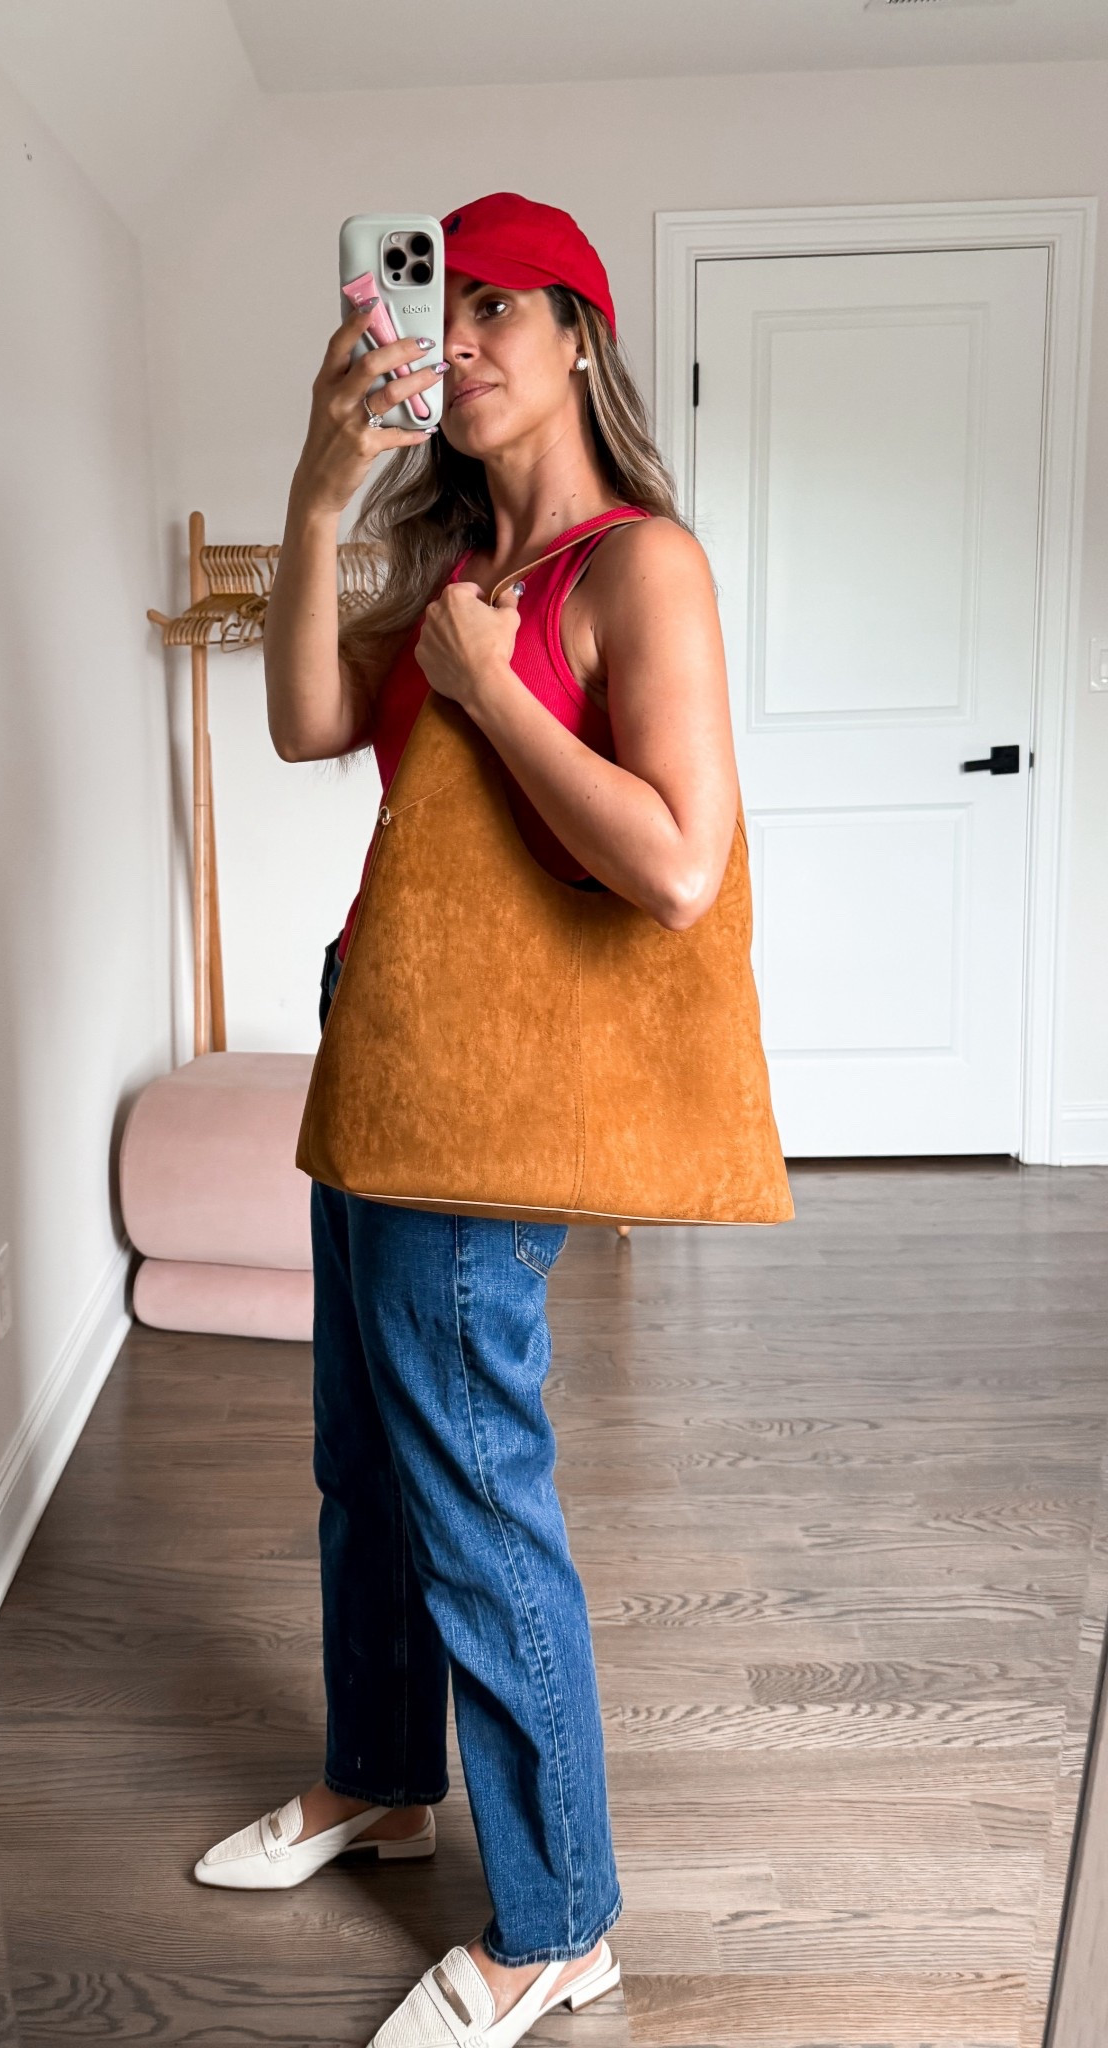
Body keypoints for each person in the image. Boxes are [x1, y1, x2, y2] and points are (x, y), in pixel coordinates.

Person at [193, 192, 739, 2048]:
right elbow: (301, 723)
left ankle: (564, 1918)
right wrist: (318, 490)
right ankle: (380, 1778)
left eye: (504, 302)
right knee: (362, 1455)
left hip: (485, 1088)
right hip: (376, 1033)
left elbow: (677, 866)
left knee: (476, 1491)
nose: (468, 334)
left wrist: (495, 693)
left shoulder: (637, 567)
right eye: (450, 304)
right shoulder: (446, 569)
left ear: (581, 332)